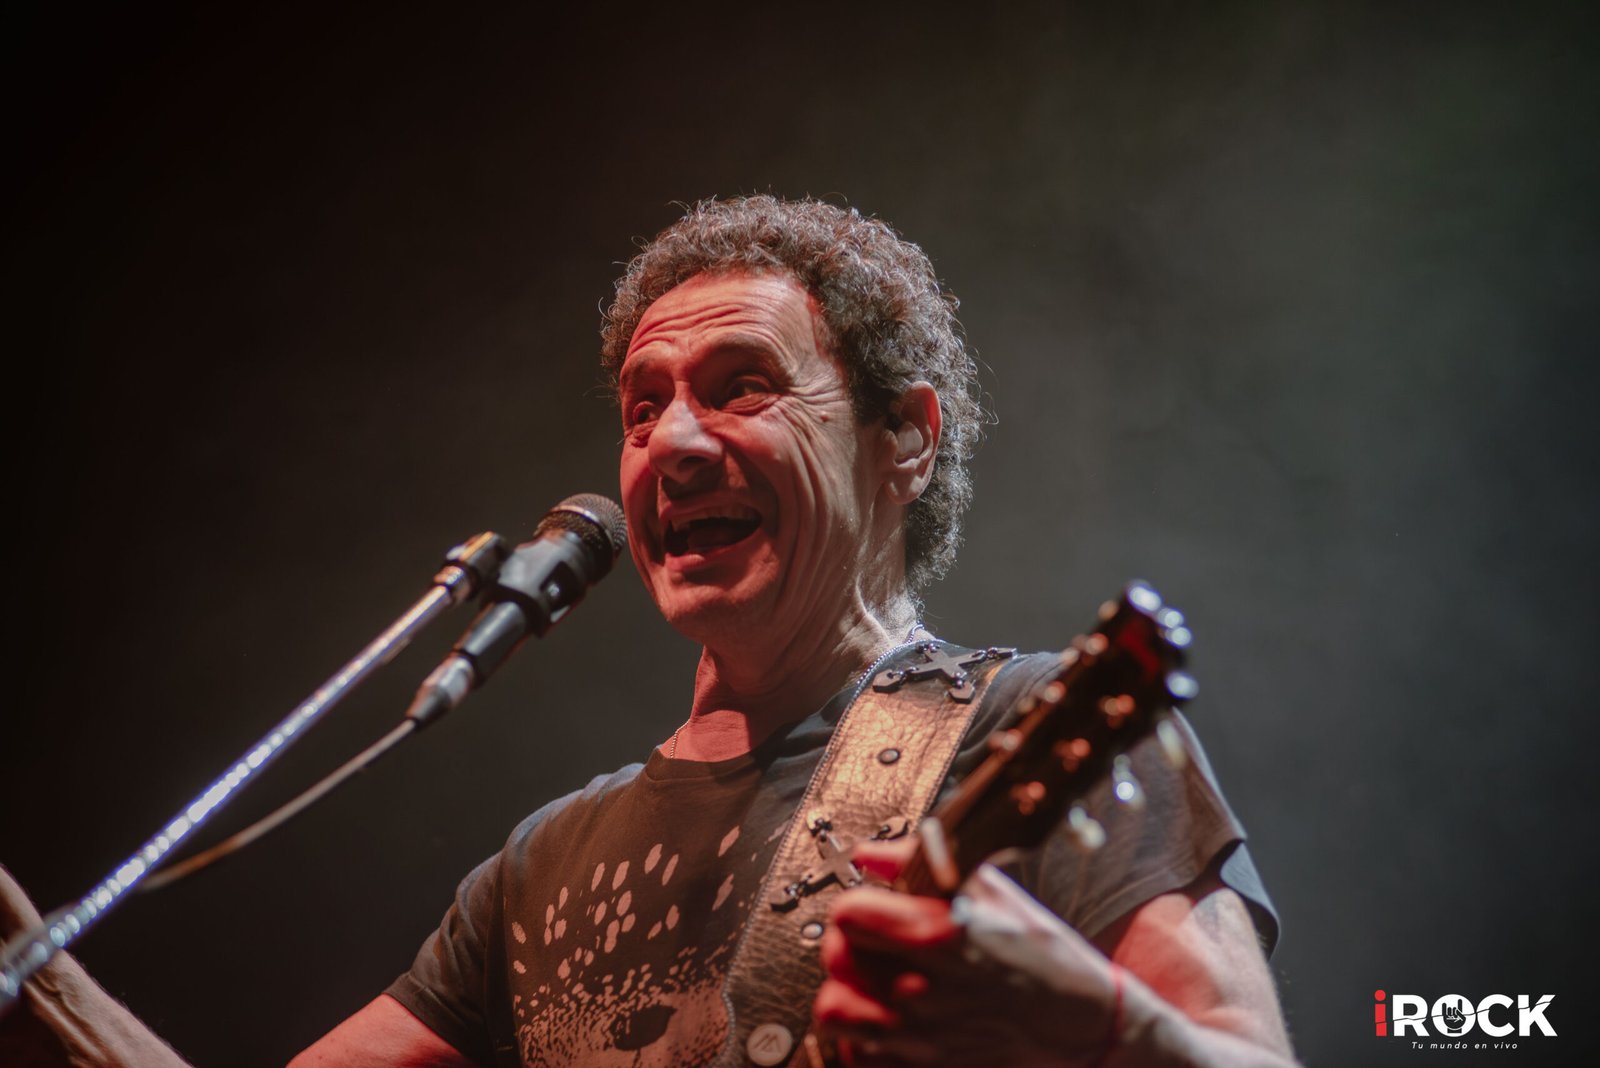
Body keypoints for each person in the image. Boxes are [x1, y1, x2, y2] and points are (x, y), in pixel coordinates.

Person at [0, 196, 1297, 1067]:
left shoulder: (1040, 730)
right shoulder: (540, 864)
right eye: (641, 407)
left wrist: (1100, 1030)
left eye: (742, 387)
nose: (672, 442)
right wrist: (34, 974)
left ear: (905, 438)